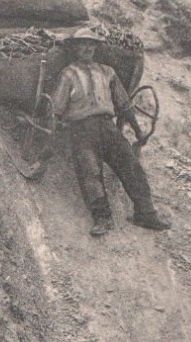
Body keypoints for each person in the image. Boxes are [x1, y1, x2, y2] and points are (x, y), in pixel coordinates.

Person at [51, 28, 171, 238]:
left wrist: (137, 130)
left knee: (131, 165)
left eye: (91, 44)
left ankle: (146, 213)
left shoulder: (107, 72)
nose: (87, 48)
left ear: (96, 48)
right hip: (81, 129)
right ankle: (102, 218)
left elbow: (124, 103)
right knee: (89, 172)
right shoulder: (68, 74)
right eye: (82, 44)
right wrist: (53, 128)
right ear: (75, 48)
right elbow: (57, 108)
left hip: (107, 126)